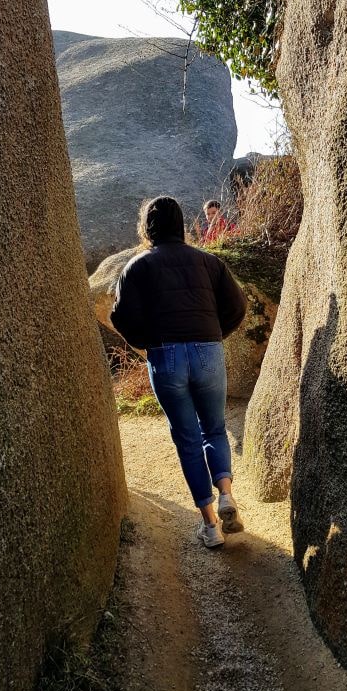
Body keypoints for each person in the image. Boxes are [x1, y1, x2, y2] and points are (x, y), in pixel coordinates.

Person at [111, 196, 247, 548]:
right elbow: (237, 306)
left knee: (187, 439)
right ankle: (227, 494)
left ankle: (211, 528)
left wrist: (148, 343)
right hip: (208, 351)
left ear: (147, 227)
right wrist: (214, 335)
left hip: (165, 355)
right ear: (181, 224)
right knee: (214, 428)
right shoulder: (209, 262)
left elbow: (120, 317)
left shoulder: (137, 267)